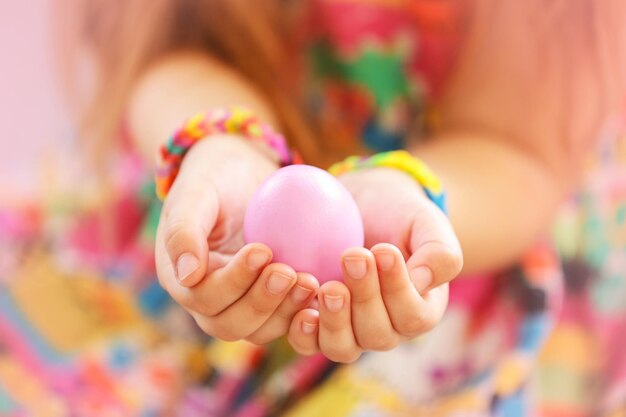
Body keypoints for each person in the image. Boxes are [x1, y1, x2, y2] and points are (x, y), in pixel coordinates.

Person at [25, 0, 624, 414]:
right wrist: (223, 149)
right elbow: (162, 57)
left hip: (471, 244)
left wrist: (409, 198)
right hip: (201, 224)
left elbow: (514, 149)